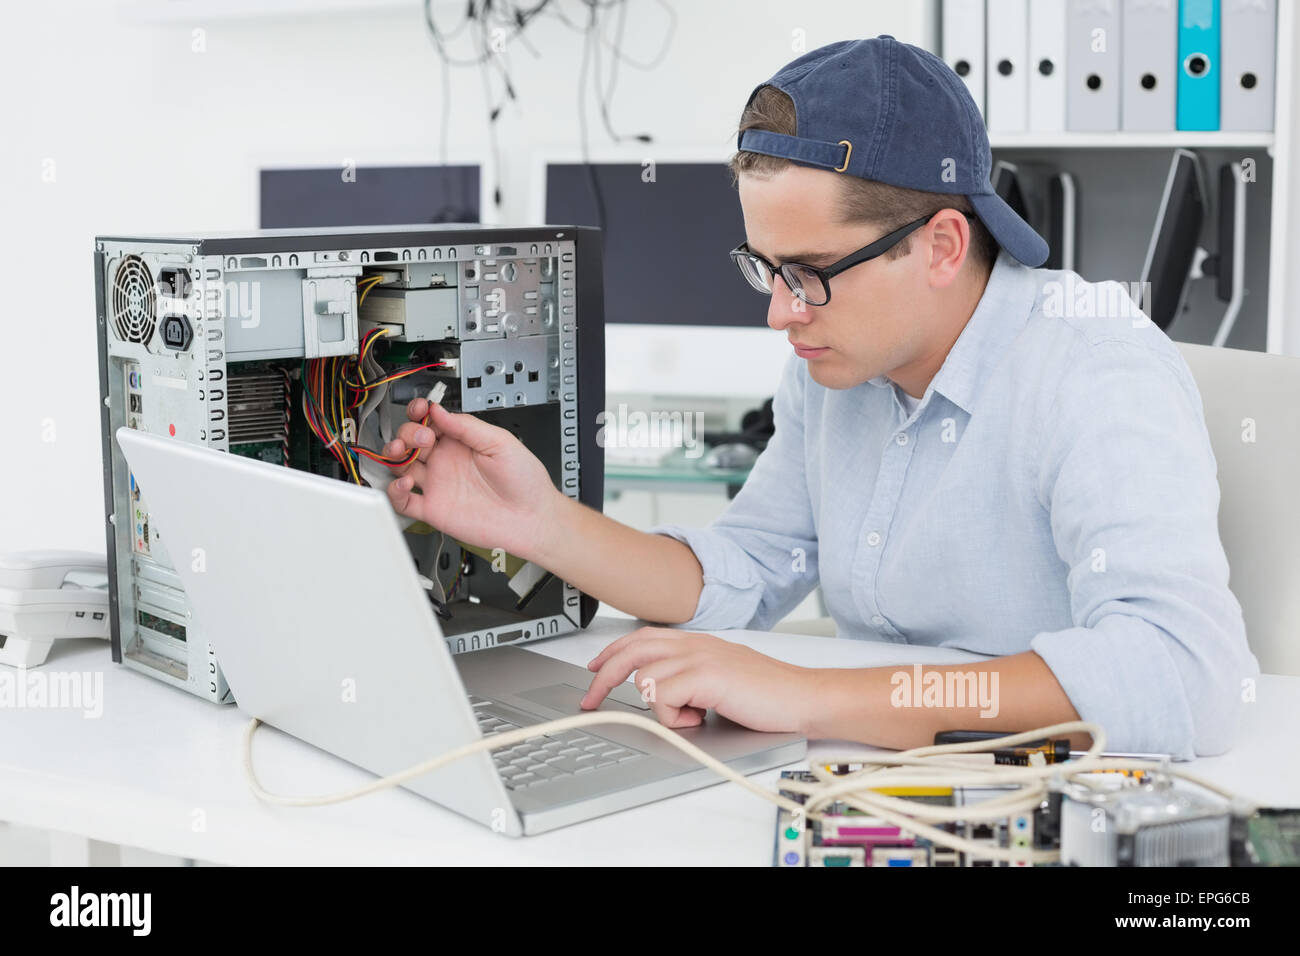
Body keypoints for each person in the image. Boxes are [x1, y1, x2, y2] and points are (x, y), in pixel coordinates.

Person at [384, 36, 1257, 758]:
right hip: (870, 776)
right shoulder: (835, 366)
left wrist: (806, 692)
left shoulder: (1095, 369)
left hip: (1050, 798)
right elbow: (747, 573)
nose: (778, 313)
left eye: (808, 274)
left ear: (944, 245)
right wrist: (538, 524)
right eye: (766, 268)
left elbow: (1182, 672)